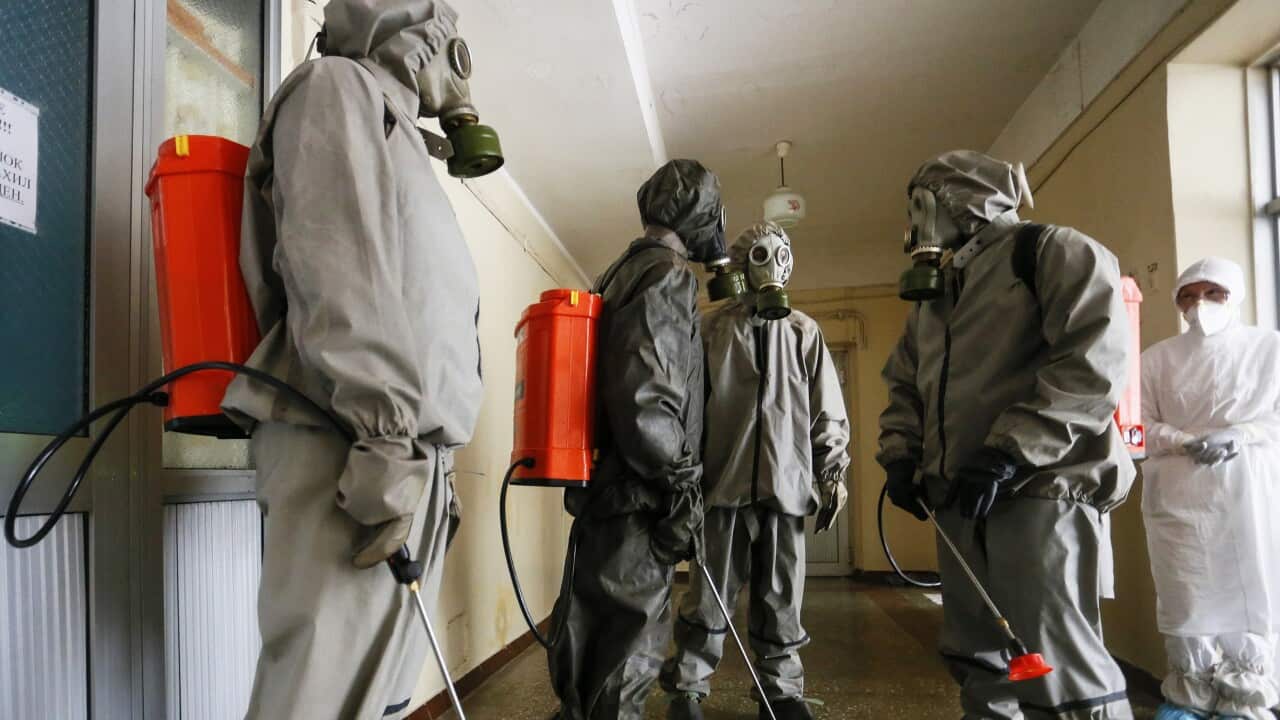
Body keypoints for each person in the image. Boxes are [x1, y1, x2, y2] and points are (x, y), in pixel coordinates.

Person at [221, 2, 487, 717]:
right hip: (353, 443)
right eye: (447, 39)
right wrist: (387, 436)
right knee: (317, 697)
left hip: (399, 450)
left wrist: (424, 457)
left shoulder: (396, 127)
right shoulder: (337, 88)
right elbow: (340, 275)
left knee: (380, 699)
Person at [878, 150, 1136, 719]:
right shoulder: (936, 294)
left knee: (1051, 664)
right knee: (980, 658)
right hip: (960, 499)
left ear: (950, 201)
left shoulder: (1052, 253)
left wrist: (1008, 451)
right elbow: (904, 383)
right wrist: (902, 454)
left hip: (1040, 492)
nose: (914, 224)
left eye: (918, 206)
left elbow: (1091, 365)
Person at [546, 159, 724, 720]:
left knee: (587, 623)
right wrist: (677, 483)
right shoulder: (667, 274)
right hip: (640, 494)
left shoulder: (617, 271)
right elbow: (649, 394)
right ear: (699, 213)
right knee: (631, 640)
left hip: (601, 488)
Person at [660, 221, 851, 720]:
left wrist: (831, 470)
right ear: (744, 263)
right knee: (709, 594)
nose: (776, 263)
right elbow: (689, 409)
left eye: (783, 253)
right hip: (723, 485)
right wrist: (684, 478)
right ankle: (688, 688)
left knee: (782, 596)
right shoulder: (711, 329)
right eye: (764, 253)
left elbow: (826, 408)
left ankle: (781, 691)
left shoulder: (804, 333)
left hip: (786, 487)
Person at [1139, 257, 1280, 720]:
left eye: (1213, 292)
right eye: (1188, 295)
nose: (1200, 304)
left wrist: (1240, 434)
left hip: (1247, 491)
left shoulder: (1269, 349)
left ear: (1234, 293)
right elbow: (1139, 422)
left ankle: (1246, 702)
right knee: (1187, 591)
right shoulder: (1157, 358)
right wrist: (1182, 440)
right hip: (1179, 493)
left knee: (1249, 589)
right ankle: (1189, 699)